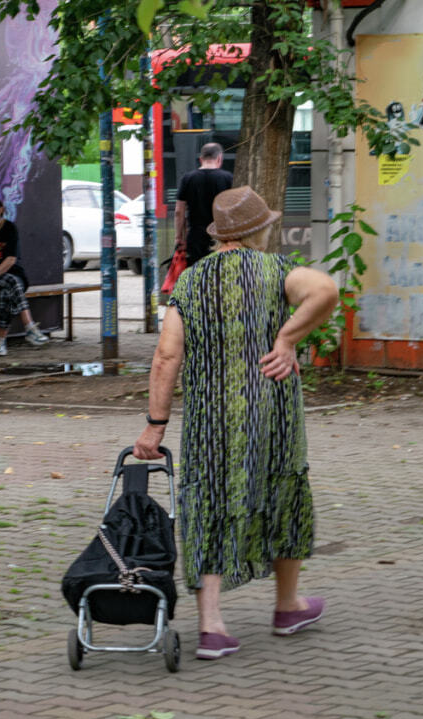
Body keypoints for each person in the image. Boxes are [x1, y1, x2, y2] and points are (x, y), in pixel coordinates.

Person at [133, 186, 338, 660]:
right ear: (259, 229)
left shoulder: (189, 282)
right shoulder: (276, 271)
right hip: (273, 413)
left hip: (209, 418)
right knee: (282, 488)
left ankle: (212, 626)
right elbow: (325, 290)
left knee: (206, 499)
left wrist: (155, 425)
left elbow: (166, 356)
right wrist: (287, 339)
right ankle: (287, 606)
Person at [0, 193, 49, 356]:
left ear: (1, 210)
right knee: (10, 286)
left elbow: (11, 260)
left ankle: (1, 343)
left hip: (7, 274)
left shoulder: (10, 229)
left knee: (8, 288)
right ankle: (29, 328)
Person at [174, 142, 233, 267]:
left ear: (201, 159)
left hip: (196, 236)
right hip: (221, 237)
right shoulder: (228, 178)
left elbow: (179, 211)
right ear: (219, 158)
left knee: (197, 274)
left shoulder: (187, 179)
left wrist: (179, 237)